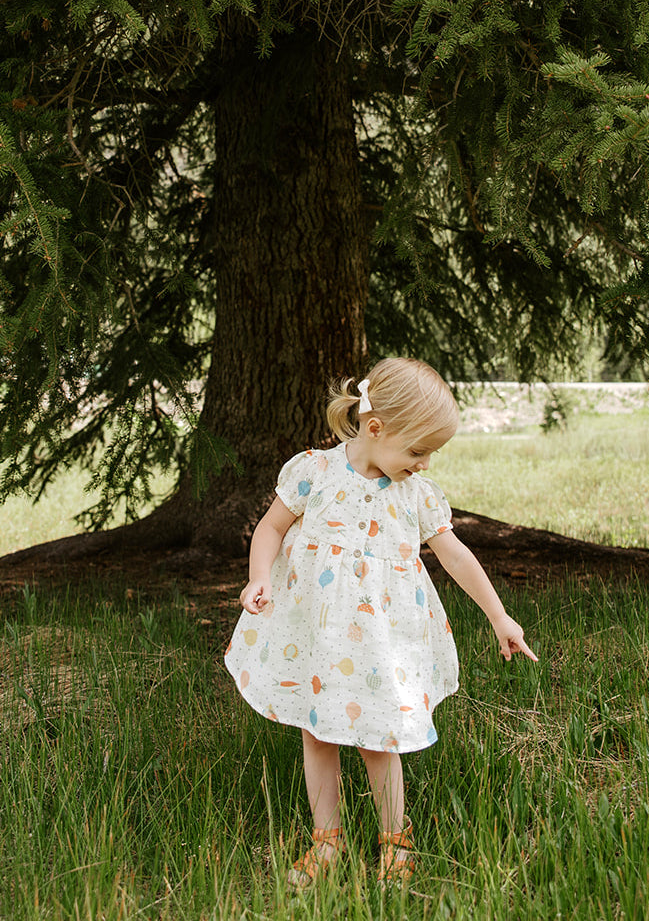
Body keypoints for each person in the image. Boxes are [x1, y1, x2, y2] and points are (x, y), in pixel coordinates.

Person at [224, 357, 538, 889]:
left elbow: (456, 557)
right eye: (418, 451)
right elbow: (271, 529)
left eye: (432, 453)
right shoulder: (313, 472)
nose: (426, 463)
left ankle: (395, 839)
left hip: (379, 644)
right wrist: (260, 579)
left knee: (378, 739)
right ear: (375, 428)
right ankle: (328, 839)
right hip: (317, 636)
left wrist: (499, 615)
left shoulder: (416, 494)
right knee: (317, 733)